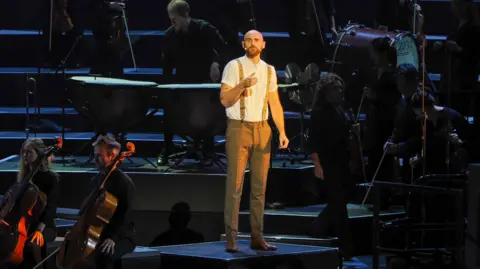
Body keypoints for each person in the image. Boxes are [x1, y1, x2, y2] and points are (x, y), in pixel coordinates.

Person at [220, 30, 289, 252]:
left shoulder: (269, 71)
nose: (252, 43)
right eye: (248, 40)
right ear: (243, 44)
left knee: (259, 188)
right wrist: (242, 85)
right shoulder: (233, 66)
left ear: (263, 44)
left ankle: (257, 237)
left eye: (256, 40)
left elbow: (274, 103)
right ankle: (231, 239)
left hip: (262, 129)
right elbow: (224, 99)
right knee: (235, 186)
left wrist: (282, 131)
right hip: (239, 128)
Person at [159, 0, 227, 165]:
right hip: (182, 82)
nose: (172, 23)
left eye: (175, 19)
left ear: (186, 16)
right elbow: (166, 64)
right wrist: (167, 87)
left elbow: (224, 48)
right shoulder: (170, 34)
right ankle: (167, 148)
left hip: (203, 82)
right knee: (168, 108)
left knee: (206, 110)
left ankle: (208, 150)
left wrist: (215, 63)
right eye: (171, 19)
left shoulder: (205, 29)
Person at [308, 73, 354, 260]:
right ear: (326, 92)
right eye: (335, 89)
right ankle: (346, 247)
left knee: (347, 194)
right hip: (329, 161)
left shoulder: (340, 109)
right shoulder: (319, 112)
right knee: (340, 205)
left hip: (342, 160)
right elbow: (314, 141)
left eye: (340, 88)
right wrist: (317, 164)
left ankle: (319, 224)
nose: (339, 92)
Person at [0, 138, 60, 269]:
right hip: (21, 225)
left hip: (43, 225)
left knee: (31, 245)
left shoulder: (50, 178)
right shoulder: (23, 177)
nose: (25, 155)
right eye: (23, 152)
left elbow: (51, 207)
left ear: (39, 154)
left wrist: (39, 229)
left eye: (29, 152)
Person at [86, 135, 136, 269]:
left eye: (99, 156)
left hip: (121, 235)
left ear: (112, 156)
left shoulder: (124, 183)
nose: (95, 159)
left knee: (104, 256)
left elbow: (125, 217)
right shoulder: (95, 181)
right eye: (94, 155)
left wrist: (113, 238)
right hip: (99, 233)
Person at [407, 91, 471, 174]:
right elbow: (424, 144)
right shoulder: (423, 122)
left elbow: (469, 143)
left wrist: (457, 141)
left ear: (431, 106)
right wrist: (418, 157)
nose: (422, 117)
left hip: (452, 171)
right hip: (431, 171)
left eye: (424, 113)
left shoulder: (453, 117)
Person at [282, 0, 337, 68]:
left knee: (318, 58)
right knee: (301, 58)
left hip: (318, 26)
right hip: (299, 26)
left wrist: (332, 26)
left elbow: (330, 7)